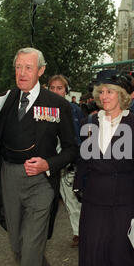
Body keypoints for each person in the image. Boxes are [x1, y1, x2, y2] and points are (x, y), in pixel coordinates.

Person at [0, 47, 78, 266]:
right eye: (18, 67)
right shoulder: (5, 99)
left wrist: (48, 164)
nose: (22, 73)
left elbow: (70, 149)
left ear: (41, 71)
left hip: (41, 184)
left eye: (28, 67)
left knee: (32, 246)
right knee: (18, 245)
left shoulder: (56, 105)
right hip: (9, 177)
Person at [73, 69, 134, 266]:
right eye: (102, 92)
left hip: (124, 197)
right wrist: (79, 183)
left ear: (121, 96)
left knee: (121, 247)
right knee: (96, 250)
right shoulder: (90, 123)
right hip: (95, 197)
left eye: (110, 92)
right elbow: (83, 158)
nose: (105, 96)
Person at [48, 74, 84, 247]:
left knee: (75, 199)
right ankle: (78, 231)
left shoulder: (74, 110)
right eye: (52, 88)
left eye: (59, 88)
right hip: (51, 163)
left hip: (71, 161)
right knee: (67, 201)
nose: (56, 91)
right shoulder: (43, 109)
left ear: (66, 90)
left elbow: (80, 137)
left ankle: (81, 232)